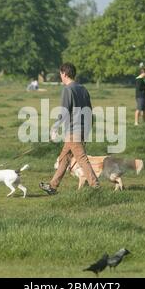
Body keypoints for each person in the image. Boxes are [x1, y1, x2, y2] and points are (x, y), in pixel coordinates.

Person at [39, 63, 100, 195]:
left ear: (64, 74)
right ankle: (52, 186)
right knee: (64, 158)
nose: (60, 76)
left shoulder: (68, 89)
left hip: (74, 130)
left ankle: (95, 186)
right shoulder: (83, 88)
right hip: (83, 129)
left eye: (60, 74)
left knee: (82, 158)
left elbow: (64, 111)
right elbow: (90, 111)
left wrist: (54, 128)